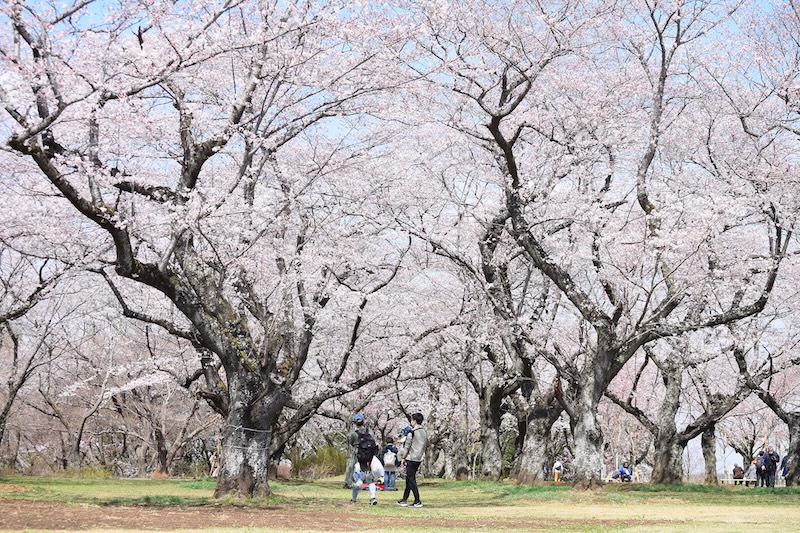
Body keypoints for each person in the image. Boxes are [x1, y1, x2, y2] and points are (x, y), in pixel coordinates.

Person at [397, 413, 428, 508]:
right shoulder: (424, 432)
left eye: (412, 420)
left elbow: (407, 447)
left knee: (411, 479)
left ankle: (417, 500)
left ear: (414, 421)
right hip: (419, 458)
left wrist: (403, 458)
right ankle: (404, 499)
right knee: (409, 479)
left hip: (411, 458)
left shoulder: (412, 432)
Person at [344, 413, 373, 489]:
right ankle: (367, 482)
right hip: (367, 452)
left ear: (355, 423)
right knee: (365, 468)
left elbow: (351, 442)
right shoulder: (369, 431)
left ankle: (349, 482)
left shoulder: (354, 433)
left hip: (357, 452)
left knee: (352, 466)